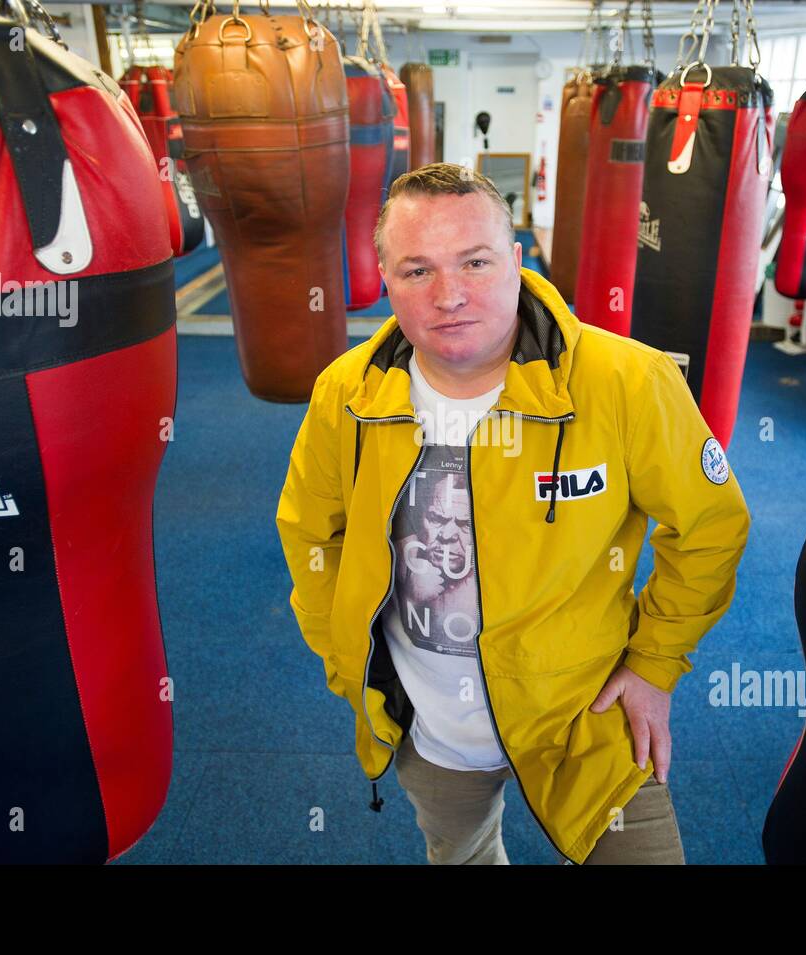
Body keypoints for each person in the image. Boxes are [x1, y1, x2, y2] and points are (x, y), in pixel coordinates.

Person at [276, 163, 750, 864]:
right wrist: (350, 663)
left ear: (516, 261)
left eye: (475, 261)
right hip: (426, 728)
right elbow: (312, 534)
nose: (450, 295)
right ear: (383, 278)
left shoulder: (625, 381)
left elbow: (711, 526)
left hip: (586, 722)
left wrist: (654, 664)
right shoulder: (345, 393)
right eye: (417, 271)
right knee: (461, 855)